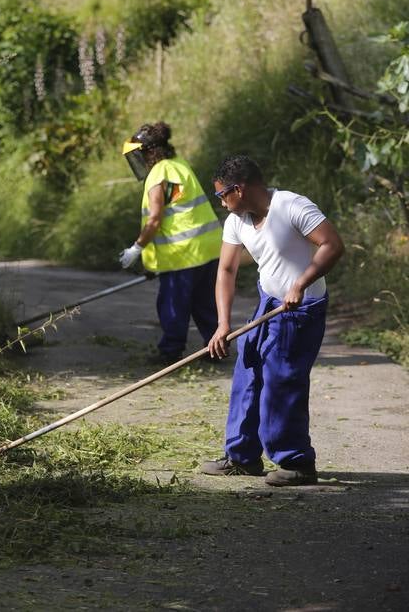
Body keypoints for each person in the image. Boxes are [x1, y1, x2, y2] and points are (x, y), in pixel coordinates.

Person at [202, 155, 345, 486]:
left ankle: (296, 462)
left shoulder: (292, 206)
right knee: (248, 373)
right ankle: (242, 456)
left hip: (300, 309)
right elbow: (226, 270)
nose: (222, 203)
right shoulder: (237, 220)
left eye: (223, 195)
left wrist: (301, 283)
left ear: (240, 188)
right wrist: (223, 324)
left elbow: (332, 245)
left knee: (282, 380)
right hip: (269, 303)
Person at [119, 122, 222, 364]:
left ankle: (170, 352)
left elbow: (155, 219)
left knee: (173, 303)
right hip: (208, 248)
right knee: (205, 302)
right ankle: (216, 348)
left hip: (181, 254)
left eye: (139, 155)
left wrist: (137, 248)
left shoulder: (158, 174)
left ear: (148, 152)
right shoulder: (179, 165)